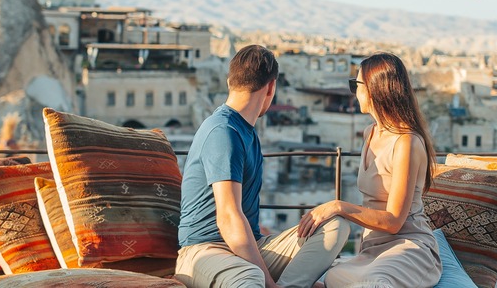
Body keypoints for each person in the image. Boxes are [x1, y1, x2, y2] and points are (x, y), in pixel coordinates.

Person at [175, 45, 350, 288]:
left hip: (249, 247)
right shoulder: (223, 132)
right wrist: (268, 282)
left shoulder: (245, 130)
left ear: (230, 82)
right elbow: (228, 217)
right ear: (271, 87)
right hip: (205, 250)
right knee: (250, 278)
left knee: (335, 225)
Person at [298, 52, 442, 288]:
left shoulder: (406, 142)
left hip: (408, 248)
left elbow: (394, 222)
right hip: (372, 249)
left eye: (356, 84)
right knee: (328, 279)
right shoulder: (370, 133)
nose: (353, 91)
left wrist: (338, 206)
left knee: (375, 283)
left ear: (375, 88)